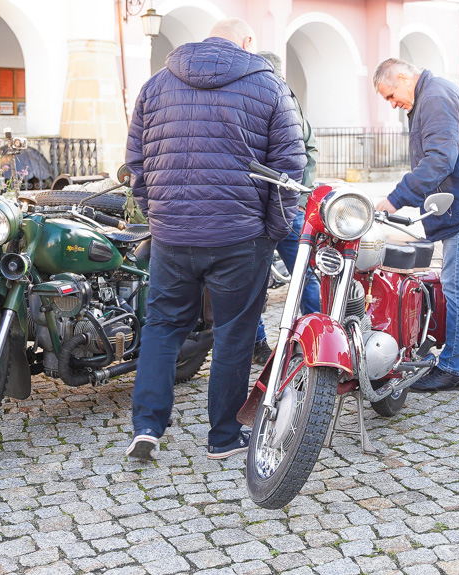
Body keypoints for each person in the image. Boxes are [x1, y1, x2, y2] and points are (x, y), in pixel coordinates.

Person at [124, 18, 305, 461]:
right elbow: (288, 169)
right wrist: (274, 230)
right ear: (248, 42)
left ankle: (147, 425)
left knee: (163, 327)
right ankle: (222, 437)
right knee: (234, 336)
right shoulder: (268, 85)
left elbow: (136, 164)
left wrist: (159, 216)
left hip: (172, 235)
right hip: (239, 235)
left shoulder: (156, 85)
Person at [372, 58, 459, 391]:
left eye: (391, 95)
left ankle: (453, 367)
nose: (393, 104)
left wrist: (395, 198)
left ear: (404, 77)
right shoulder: (439, 91)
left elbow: (439, 159)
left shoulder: (433, 96)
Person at [252, 50, 321, 365]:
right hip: (264, 208)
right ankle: (309, 338)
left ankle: (315, 337)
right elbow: (309, 148)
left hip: (281, 207)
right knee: (258, 278)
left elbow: (307, 149)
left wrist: (299, 198)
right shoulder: (281, 99)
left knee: (301, 275)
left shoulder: (280, 101)